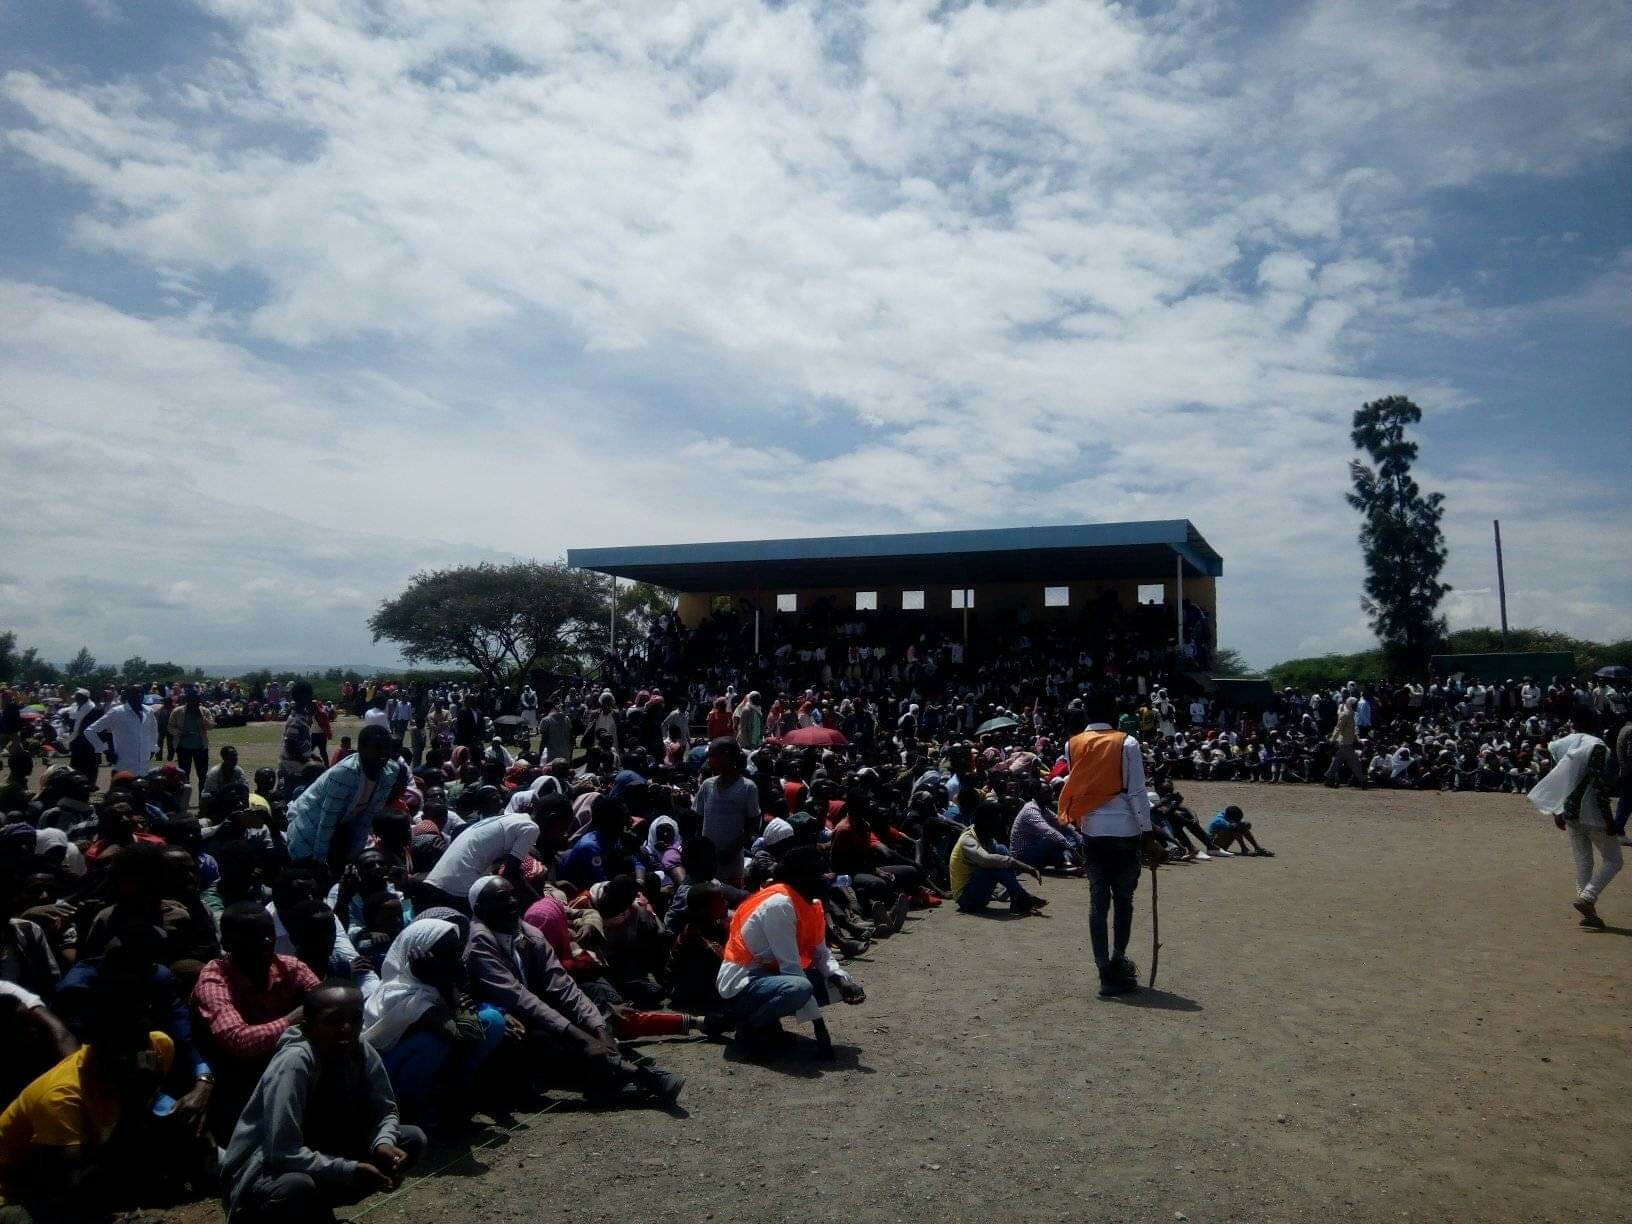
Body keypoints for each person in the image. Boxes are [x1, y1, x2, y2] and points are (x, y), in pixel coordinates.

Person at [464, 876, 683, 1107]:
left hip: (535, 1015)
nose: (512, 902)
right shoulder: (479, 942)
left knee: (592, 1019)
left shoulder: (527, 932)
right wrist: (582, 1038)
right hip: (508, 1023)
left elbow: (561, 984)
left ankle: (619, 1074)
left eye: (512, 895)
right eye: (502, 898)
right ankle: (630, 1075)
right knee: (546, 1040)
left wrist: (598, 1029)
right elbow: (520, 998)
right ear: (480, 908)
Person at [221, 981, 425, 1224]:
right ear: (308, 1027)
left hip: (322, 1148)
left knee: (411, 1139)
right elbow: (282, 1151)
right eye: (334, 1021)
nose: (347, 1028)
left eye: (355, 1019)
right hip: (265, 1169)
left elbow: (386, 1110)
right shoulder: (295, 1062)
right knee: (296, 1186)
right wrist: (349, 1170)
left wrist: (383, 1143)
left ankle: (317, 1211)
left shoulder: (360, 1049)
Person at [0, 978, 178, 1221]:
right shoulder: (60, 1096)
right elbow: (73, 1188)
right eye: (120, 1047)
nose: (136, 1058)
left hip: (73, 1169)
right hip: (13, 1194)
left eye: (138, 1041)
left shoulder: (158, 1047)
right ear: (95, 1043)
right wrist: (135, 1101)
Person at [716, 845, 865, 1060]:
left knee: (838, 981)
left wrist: (841, 980)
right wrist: (821, 1031)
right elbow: (791, 969)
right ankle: (749, 1029)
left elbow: (822, 954)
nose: (828, 877)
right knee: (800, 987)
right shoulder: (780, 904)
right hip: (743, 982)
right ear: (802, 878)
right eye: (820, 873)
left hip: (770, 976)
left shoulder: (812, 904)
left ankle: (768, 1026)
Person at [1058, 695, 1161, 998]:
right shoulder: (1127, 742)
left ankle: (1104, 971)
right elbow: (1137, 792)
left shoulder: (1073, 744)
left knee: (1098, 903)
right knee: (1124, 900)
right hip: (1126, 831)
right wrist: (1148, 835)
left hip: (1092, 831)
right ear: (1114, 712)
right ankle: (1118, 960)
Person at [192, 903, 321, 1141]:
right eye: (252, 935)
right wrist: (292, 1020)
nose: (266, 941)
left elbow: (326, 1003)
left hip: (288, 1067)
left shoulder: (290, 966)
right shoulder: (214, 980)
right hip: (239, 1080)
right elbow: (238, 1041)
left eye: (269, 932)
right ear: (227, 944)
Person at [363, 918, 504, 1128]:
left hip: (432, 1060)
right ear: (418, 959)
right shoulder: (402, 994)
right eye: (445, 955)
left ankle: (452, 1103)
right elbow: (466, 1037)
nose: (456, 960)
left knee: (491, 1020)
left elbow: (471, 1029)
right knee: (434, 1042)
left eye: (456, 952)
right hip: (388, 1077)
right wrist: (447, 988)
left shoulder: (435, 983)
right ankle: (418, 1113)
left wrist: (450, 989)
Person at [284, 725, 405, 874]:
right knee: (309, 873)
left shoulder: (390, 772)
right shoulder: (345, 773)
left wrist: (353, 858)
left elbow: (367, 819)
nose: (385, 753)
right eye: (378, 747)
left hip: (342, 826)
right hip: (310, 824)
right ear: (361, 749)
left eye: (387, 747)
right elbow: (327, 821)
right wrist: (319, 864)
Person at [1529, 732, 1619, 929]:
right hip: (1591, 812)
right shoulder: (1597, 747)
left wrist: (1557, 810)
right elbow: (1598, 785)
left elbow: (1558, 774)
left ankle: (1589, 912)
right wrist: (1609, 819)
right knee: (1614, 860)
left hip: (1570, 812)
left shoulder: (1569, 743)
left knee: (1583, 862)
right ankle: (1588, 897)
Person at [948, 798, 1045, 915]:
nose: (998, 825)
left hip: (981, 893)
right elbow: (986, 860)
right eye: (996, 821)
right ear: (986, 822)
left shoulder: (986, 837)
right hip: (966, 899)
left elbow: (1000, 858)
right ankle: (1022, 897)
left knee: (1001, 850)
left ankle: (1017, 899)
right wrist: (1026, 867)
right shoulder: (968, 840)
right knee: (993, 863)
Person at [692, 738, 758, 887]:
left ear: (727, 756)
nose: (709, 761)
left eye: (712, 756)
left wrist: (733, 849)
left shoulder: (748, 788)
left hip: (731, 860)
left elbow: (753, 824)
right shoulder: (707, 785)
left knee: (731, 894)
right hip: (708, 858)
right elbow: (698, 819)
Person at [86, 686, 158, 777]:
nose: (139, 695)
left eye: (141, 692)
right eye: (135, 693)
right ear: (128, 695)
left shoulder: (148, 711)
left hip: (143, 765)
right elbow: (90, 731)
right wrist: (105, 751)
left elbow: (153, 731)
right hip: (124, 764)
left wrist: (152, 748)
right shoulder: (117, 712)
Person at [170, 687, 215, 794]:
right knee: (184, 775)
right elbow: (170, 727)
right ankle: (185, 797)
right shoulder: (177, 711)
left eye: (197, 700)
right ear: (188, 700)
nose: (195, 703)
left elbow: (211, 726)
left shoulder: (204, 711)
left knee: (202, 775)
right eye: (193, 700)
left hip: (201, 747)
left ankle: (202, 798)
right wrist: (179, 733)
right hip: (183, 747)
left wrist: (204, 720)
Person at [1324, 698, 1367, 788]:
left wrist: (1357, 739)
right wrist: (1332, 740)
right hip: (1345, 744)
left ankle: (1328, 778)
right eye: (1355, 704)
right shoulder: (1345, 715)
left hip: (1346, 744)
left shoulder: (1351, 716)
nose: (1356, 706)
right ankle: (1362, 781)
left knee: (1337, 762)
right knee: (1355, 763)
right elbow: (1338, 728)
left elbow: (1352, 731)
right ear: (1350, 705)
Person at [1206, 805, 1274, 856]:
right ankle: (1244, 849)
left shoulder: (1229, 814)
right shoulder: (1219, 820)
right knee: (1234, 828)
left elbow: (1245, 825)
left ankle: (1257, 848)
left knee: (1240, 826)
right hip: (1215, 846)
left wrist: (1245, 825)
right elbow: (1234, 827)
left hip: (1223, 840)